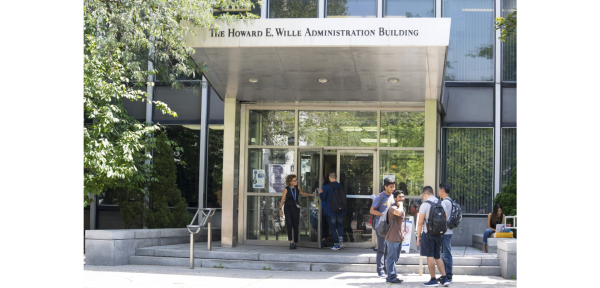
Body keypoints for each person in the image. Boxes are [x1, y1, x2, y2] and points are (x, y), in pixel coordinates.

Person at [416, 186, 450, 287]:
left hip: (428, 234)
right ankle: (444, 278)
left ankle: (433, 279)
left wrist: (418, 237)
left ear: (424, 194)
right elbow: (446, 219)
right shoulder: (442, 203)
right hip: (439, 234)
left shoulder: (424, 205)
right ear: (433, 193)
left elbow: (420, 223)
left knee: (429, 256)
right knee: (437, 256)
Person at [279, 174, 314, 250]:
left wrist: (311, 195)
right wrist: (280, 210)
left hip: (295, 208)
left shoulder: (297, 187)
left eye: (296, 180)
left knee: (295, 224)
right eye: (294, 180)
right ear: (290, 182)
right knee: (289, 224)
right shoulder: (286, 189)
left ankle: (295, 242)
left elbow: (303, 193)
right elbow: (282, 200)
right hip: (287, 208)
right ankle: (291, 242)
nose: (296, 181)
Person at [371, 178, 396, 278]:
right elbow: (372, 210)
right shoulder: (380, 196)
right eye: (391, 187)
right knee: (381, 248)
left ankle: (386, 269)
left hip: (390, 227)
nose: (393, 188)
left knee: (388, 248)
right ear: (385, 186)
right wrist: (382, 214)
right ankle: (380, 270)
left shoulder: (393, 196)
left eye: (394, 186)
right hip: (381, 226)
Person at [318, 172, 346, 251]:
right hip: (340, 210)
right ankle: (341, 240)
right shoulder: (341, 186)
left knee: (333, 228)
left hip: (330, 210)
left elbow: (323, 198)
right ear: (336, 177)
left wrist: (320, 193)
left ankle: (336, 245)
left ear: (329, 177)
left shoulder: (327, 187)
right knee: (340, 226)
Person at [385, 191, 406, 285]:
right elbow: (398, 213)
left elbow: (400, 223)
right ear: (395, 199)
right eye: (399, 197)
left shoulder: (400, 207)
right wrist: (400, 205)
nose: (402, 199)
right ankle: (391, 277)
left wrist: (402, 235)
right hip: (392, 237)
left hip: (398, 237)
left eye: (403, 197)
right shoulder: (393, 207)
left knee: (395, 258)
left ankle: (392, 275)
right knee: (391, 258)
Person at [439, 183, 454, 283]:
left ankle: (448, 275)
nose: (439, 192)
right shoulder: (451, 201)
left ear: (443, 190)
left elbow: (442, 217)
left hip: (445, 232)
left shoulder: (445, 203)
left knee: (446, 254)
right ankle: (445, 275)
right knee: (445, 253)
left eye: (439, 190)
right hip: (449, 231)